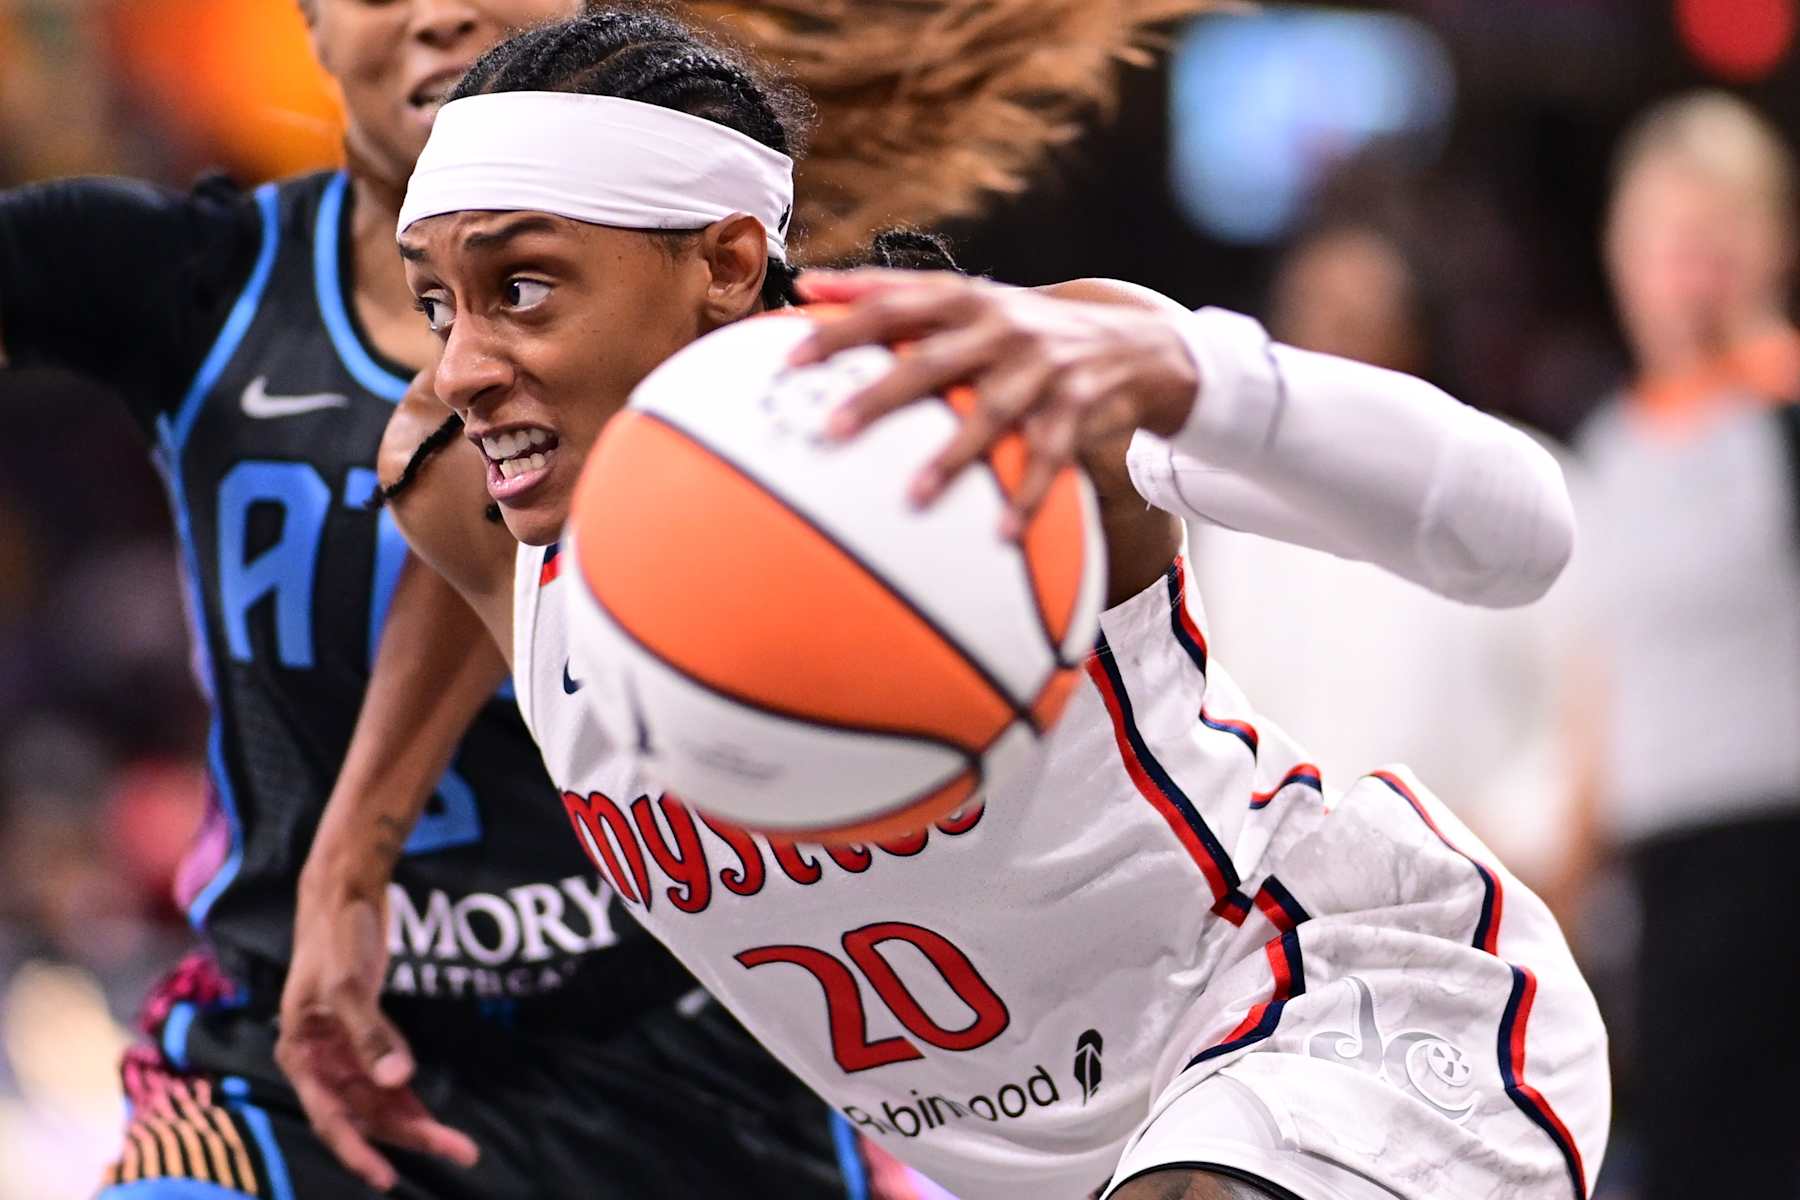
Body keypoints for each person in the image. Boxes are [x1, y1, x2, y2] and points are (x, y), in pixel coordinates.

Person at [364, 9, 1611, 1198]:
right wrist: (344, 880)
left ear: (730, 262)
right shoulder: (465, 496)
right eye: (437, 302)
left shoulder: (984, 397)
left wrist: (1192, 375)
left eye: (522, 288)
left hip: (1336, 1018)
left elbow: (1524, 535)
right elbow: (436, 618)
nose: (462, 365)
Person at [0, 0, 1094, 1192]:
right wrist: (346, 865)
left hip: (698, 1055)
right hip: (296, 1045)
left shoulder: (790, 364)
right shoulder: (244, 302)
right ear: (306, 24)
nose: (438, 11)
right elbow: (467, 522)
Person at [1564, 91, 1800, 1199]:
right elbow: (1601, 673)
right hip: (1665, 887)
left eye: (1716, 237)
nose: (1687, 272)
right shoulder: (1611, 447)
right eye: (1665, 241)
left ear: (1774, 240)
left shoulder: (1784, 413)